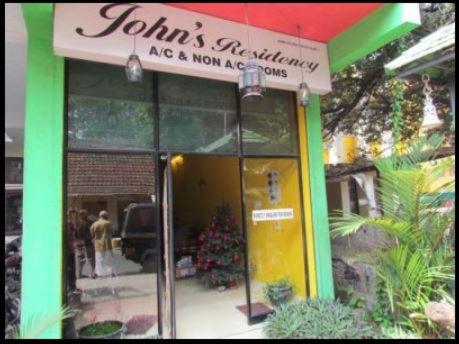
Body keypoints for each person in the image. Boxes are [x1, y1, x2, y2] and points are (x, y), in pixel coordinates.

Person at [90, 210, 114, 277]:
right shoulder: (108, 223)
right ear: (106, 216)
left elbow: (91, 233)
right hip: (107, 243)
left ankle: (100, 273)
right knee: (108, 259)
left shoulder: (95, 224)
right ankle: (109, 273)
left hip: (97, 244)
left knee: (99, 259)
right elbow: (112, 232)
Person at [76, 209, 95, 278]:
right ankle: (92, 274)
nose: (86, 215)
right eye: (85, 214)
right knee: (90, 258)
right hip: (87, 242)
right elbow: (91, 232)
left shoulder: (77, 222)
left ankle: (79, 274)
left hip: (79, 242)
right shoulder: (89, 222)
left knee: (81, 259)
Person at [66, 208, 78, 292]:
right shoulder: (68, 223)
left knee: (71, 269)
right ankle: (71, 287)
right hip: (69, 249)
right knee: (70, 269)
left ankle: (72, 286)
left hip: (70, 248)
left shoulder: (69, 223)